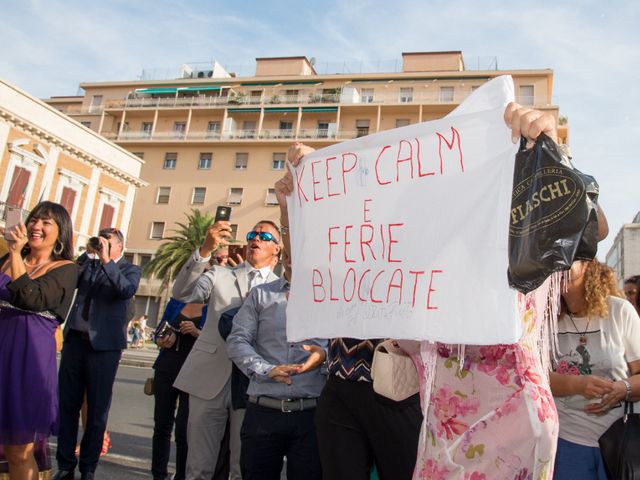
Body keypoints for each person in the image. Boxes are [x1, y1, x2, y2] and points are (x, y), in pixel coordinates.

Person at [275, 150, 422, 480]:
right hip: (340, 386)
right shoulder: (341, 241)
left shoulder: (416, 238)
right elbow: (299, 276)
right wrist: (289, 210)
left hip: (400, 389)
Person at [172, 220, 281, 480]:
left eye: (265, 235)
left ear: (277, 249)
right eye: (252, 233)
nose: (256, 238)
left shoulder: (282, 288)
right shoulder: (220, 274)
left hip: (253, 386)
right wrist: (205, 251)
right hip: (209, 378)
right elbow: (182, 291)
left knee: (242, 468)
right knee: (198, 467)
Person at [227, 249, 327, 480]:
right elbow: (237, 340)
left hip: (310, 417)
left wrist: (324, 355)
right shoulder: (260, 295)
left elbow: (341, 343)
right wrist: (266, 369)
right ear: (283, 254)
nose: (295, 252)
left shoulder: (330, 298)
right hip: (263, 414)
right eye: (289, 246)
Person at [54, 227, 141, 480]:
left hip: (104, 348)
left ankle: (88, 467)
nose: (102, 244)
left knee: (96, 410)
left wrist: (105, 261)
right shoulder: (87, 266)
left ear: (120, 247)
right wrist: (87, 253)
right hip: (75, 343)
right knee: (67, 405)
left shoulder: (130, 269)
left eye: (107, 242)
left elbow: (125, 290)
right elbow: (68, 277)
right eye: (100, 240)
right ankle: (65, 464)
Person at [0, 201, 78, 480]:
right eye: (34, 219)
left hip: (28, 359)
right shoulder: (8, 258)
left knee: (19, 450)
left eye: (46, 223)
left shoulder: (66, 269)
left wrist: (14, 251)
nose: (36, 226)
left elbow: (29, 297)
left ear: (61, 232)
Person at [551, 260, 640, 479]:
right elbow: (533, 377)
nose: (558, 265)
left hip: (622, 442)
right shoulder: (546, 319)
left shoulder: (619, 310)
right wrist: (575, 385)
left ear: (587, 264)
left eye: (568, 257)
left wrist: (623, 388)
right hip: (567, 443)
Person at [151, 299, 206, 480]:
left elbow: (216, 339)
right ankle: (158, 474)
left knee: (184, 430)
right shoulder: (175, 303)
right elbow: (158, 331)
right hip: (166, 367)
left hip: (194, 372)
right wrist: (162, 338)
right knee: (161, 425)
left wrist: (197, 332)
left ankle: (182, 474)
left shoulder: (214, 306)